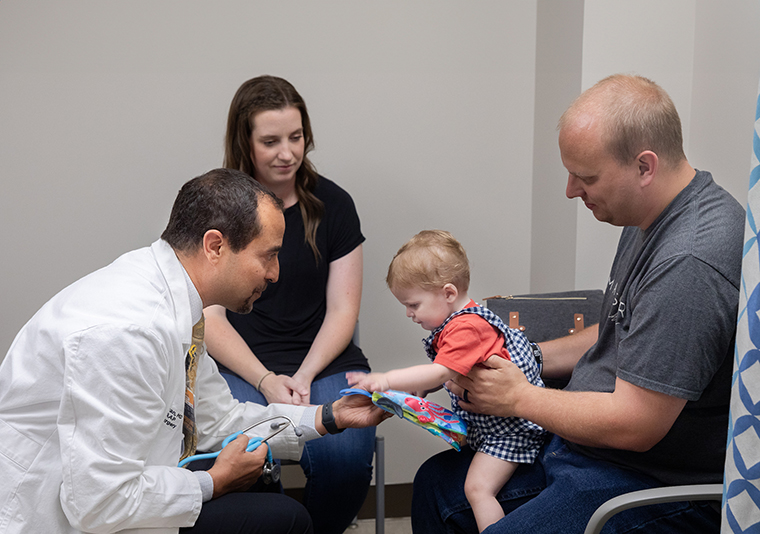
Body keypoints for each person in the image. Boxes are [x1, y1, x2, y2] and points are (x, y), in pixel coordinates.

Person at [412, 74, 744, 533]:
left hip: (640, 477)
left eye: (586, 177)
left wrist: (517, 396)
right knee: (436, 486)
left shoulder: (690, 261)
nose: (571, 190)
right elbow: (617, 328)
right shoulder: (647, 215)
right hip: (588, 449)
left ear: (644, 167)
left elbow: (636, 424)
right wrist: (520, 358)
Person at [0, 168, 387, 534]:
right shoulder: (129, 331)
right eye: (267, 255)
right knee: (285, 519)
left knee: (268, 501)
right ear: (215, 246)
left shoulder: (177, 306)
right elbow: (98, 503)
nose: (275, 274)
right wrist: (213, 483)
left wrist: (329, 417)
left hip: (113, 501)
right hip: (62, 517)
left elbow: (221, 419)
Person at [203, 75, 374, 534]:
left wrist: (302, 377)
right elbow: (209, 314)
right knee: (247, 454)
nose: (288, 153)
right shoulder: (217, 210)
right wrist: (264, 378)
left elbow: (343, 311)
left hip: (323, 361)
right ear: (245, 143)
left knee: (346, 458)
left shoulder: (335, 205)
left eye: (296, 137)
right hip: (242, 366)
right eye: (271, 141)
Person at [347, 230, 546, 532]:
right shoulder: (460, 323)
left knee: (478, 490)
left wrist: (385, 379)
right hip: (493, 429)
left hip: (511, 433)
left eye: (413, 305)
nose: (408, 314)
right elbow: (454, 371)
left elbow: (442, 370)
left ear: (449, 293)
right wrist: (424, 388)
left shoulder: (468, 327)